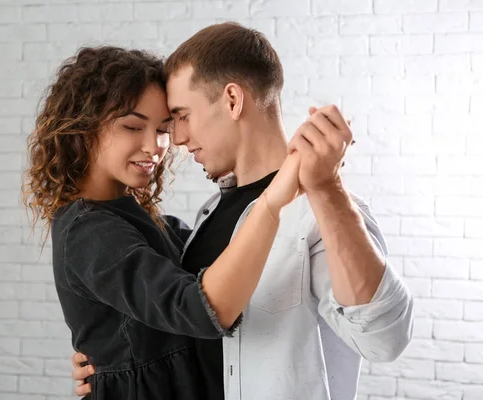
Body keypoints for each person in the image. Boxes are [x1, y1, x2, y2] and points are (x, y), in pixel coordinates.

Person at [71, 23, 414, 399]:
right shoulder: (208, 215)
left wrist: (327, 190)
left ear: (232, 100)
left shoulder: (318, 213)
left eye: (182, 116)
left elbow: (385, 340)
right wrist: (114, 364)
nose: (178, 139)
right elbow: (177, 312)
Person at [21, 45, 303, 400]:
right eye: (132, 126)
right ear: (83, 128)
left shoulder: (154, 224)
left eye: (163, 128)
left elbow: (221, 265)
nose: (155, 146)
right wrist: (273, 200)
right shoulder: (88, 231)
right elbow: (203, 309)